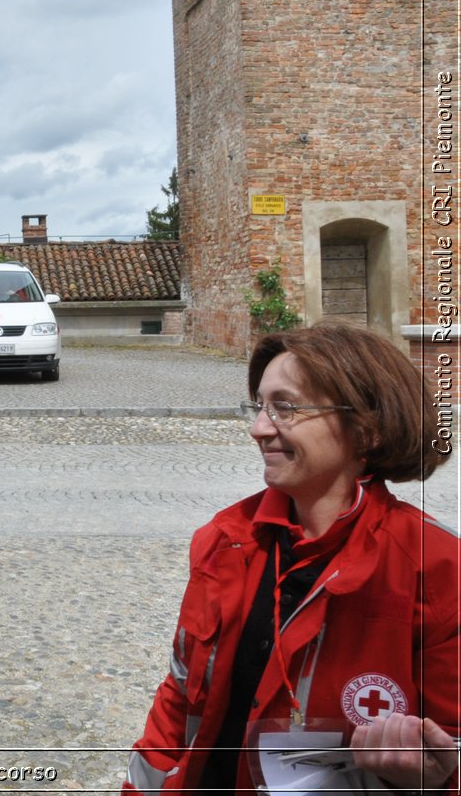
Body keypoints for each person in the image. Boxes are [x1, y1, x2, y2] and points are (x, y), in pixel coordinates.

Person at [125, 322, 458, 794]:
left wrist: (431, 778)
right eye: (259, 406)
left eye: (285, 407)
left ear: (367, 431)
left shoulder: (439, 568)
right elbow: (180, 701)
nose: (258, 428)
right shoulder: (225, 541)